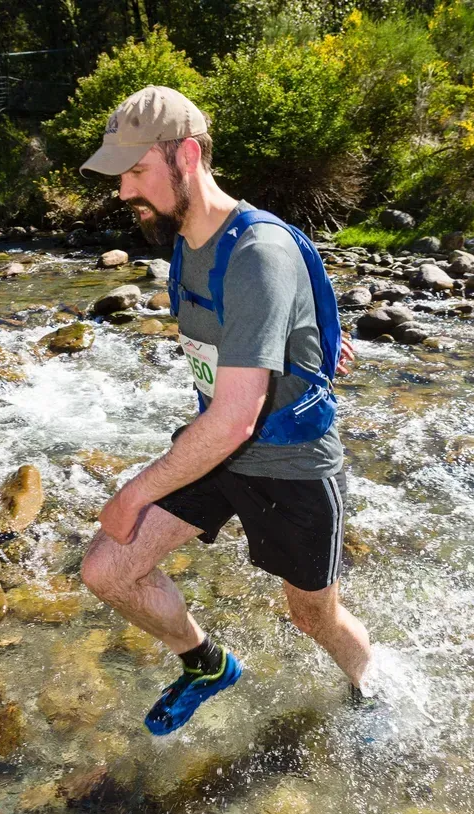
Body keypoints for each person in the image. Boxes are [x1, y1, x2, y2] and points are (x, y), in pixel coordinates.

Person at [79, 85, 372, 736]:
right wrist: (306, 347)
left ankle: (371, 690)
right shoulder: (188, 241)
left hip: (290, 466)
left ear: (186, 156)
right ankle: (207, 664)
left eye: (135, 171)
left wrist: (132, 494)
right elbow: (248, 333)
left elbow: (239, 416)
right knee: (108, 569)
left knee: (313, 617)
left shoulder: (256, 253)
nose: (125, 192)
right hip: (216, 454)